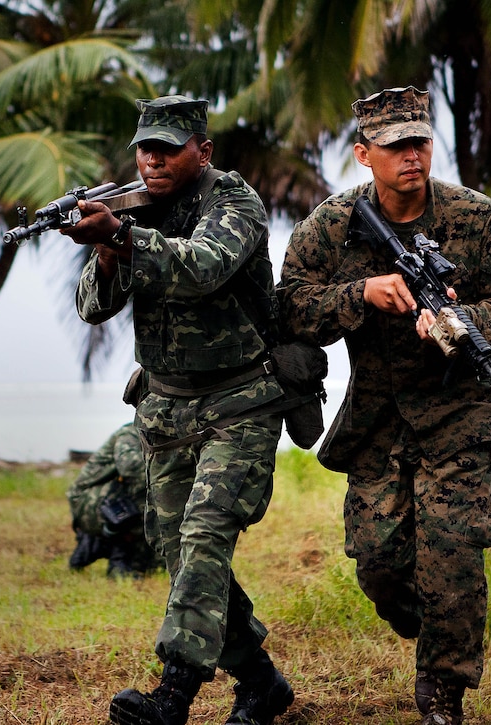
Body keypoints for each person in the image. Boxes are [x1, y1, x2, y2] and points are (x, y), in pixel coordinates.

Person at [277, 86, 491, 725]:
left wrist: (459, 322)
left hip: (459, 415)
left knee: (452, 557)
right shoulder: (332, 227)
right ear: (366, 154)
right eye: (396, 146)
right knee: (379, 566)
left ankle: (442, 691)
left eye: (420, 142)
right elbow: (288, 306)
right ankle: (436, 632)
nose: (412, 156)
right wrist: (361, 293)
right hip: (377, 418)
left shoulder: (475, 220)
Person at [62, 95, 294, 725]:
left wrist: (121, 235)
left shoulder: (235, 203)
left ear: (204, 151)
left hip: (239, 400)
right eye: (145, 148)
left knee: (204, 535)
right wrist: (109, 249)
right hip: (166, 408)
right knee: (179, 551)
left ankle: (173, 695)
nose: (153, 159)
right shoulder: (135, 210)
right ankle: (261, 682)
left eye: (168, 147)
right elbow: (91, 305)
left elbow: (203, 269)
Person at [66, 421, 162, 579]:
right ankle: (118, 558)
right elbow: (132, 469)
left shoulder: (162, 434)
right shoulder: (132, 433)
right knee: (151, 491)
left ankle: (98, 544)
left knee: (152, 565)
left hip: (110, 501)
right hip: (89, 502)